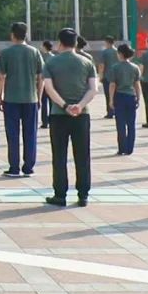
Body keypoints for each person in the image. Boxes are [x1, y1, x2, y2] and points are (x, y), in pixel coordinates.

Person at [42, 28, 98, 207]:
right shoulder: (87, 62)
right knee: (82, 155)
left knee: (59, 155)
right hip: (82, 114)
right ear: (75, 43)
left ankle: (60, 195)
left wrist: (65, 106)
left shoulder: (51, 62)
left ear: (60, 42)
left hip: (59, 115)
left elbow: (49, 88)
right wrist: (79, 105)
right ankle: (83, 194)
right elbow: (94, 89)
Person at [0, 22, 43, 178]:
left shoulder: (6, 53)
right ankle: (29, 167)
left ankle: (14, 167)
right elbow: (41, 77)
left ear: (12, 35)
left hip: (11, 98)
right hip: (31, 98)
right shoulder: (35, 52)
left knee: (12, 134)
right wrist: (39, 96)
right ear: (26, 35)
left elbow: (1, 77)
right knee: (30, 133)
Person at [108, 44, 142, 155]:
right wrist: (138, 98)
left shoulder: (115, 68)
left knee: (121, 124)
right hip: (131, 96)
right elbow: (137, 84)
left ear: (121, 54)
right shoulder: (135, 67)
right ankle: (130, 148)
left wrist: (111, 99)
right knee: (131, 124)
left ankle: (122, 148)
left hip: (120, 96)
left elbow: (112, 84)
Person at [96, 36, 118, 119]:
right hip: (117, 77)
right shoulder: (118, 52)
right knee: (116, 94)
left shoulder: (105, 52)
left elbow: (101, 65)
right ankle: (117, 111)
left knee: (108, 95)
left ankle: (110, 112)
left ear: (106, 42)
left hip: (107, 77)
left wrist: (100, 76)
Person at [39, 41, 55, 128]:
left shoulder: (42, 57)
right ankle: (52, 120)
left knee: (44, 103)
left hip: (44, 82)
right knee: (52, 103)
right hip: (53, 83)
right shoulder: (54, 57)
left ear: (45, 47)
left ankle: (44, 122)